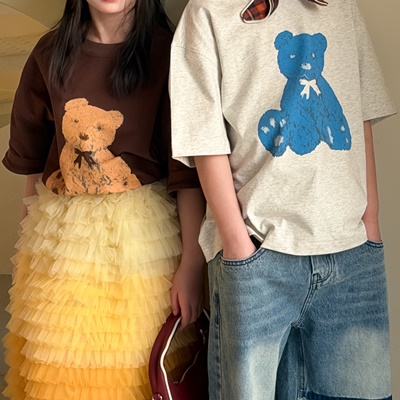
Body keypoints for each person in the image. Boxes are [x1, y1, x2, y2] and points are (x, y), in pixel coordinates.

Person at [170, 0, 396, 399]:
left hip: (350, 251)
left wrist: (371, 222)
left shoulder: (340, 7)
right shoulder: (207, 12)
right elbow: (203, 139)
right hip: (258, 254)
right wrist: (237, 243)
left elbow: (359, 114)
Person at [2, 0, 205, 398]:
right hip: (61, 238)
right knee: (60, 364)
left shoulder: (169, 52)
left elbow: (188, 173)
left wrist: (193, 265)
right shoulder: (49, 53)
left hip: (142, 242)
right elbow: (33, 160)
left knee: (133, 365)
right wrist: (29, 242)